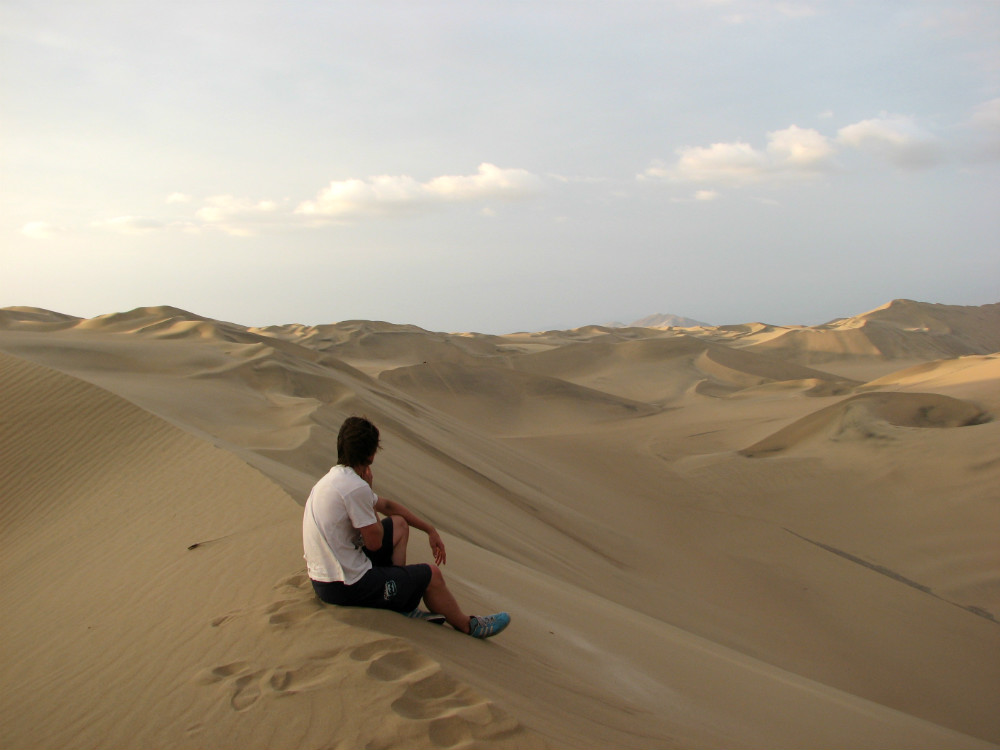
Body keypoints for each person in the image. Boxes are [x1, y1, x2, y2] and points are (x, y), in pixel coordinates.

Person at [303, 416, 510, 639]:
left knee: (399, 524)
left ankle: (397, 593)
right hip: (345, 586)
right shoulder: (356, 487)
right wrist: (367, 492)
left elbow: (388, 506)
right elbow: (375, 542)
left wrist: (429, 529)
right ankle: (468, 625)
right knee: (432, 575)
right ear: (371, 455)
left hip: (326, 579)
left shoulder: (333, 480)